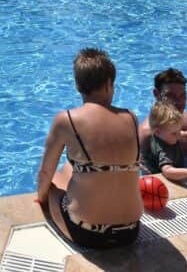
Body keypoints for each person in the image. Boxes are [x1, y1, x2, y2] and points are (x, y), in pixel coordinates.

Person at [36, 49, 142, 250]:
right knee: (71, 168)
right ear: (109, 83)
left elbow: (44, 173)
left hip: (87, 234)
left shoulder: (66, 120)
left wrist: (44, 198)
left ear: (78, 86)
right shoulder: (131, 118)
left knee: (52, 183)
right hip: (130, 232)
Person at [138, 68, 187, 160]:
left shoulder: (186, 118)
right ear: (156, 94)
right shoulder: (147, 134)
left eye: (183, 95)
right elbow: (138, 164)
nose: (179, 101)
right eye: (171, 96)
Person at [143, 102, 187, 180]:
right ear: (157, 132)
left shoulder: (166, 135)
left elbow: (186, 135)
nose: (179, 134)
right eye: (174, 133)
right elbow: (167, 171)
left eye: (179, 130)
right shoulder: (163, 150)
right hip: (160, 176)